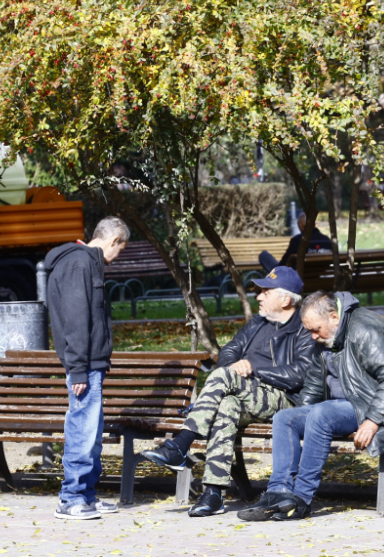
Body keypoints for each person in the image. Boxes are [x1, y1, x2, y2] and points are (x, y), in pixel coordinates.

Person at [140, 266, 316, 517]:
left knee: (225, 376)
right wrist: (236, 366)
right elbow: (229, 351)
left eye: (266, 291)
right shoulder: (257, 324)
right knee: (226, 406)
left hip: (284, 399)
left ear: (285, 299)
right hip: (245, 394)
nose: (259, 297)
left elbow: (301, 373)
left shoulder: (303, 328)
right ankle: (213, 493)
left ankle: (181, 444)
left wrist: (253, 368)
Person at [237, 290, 384, 522]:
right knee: (285, 418)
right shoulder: (326, 335)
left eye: (315, 330)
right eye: (309, 331)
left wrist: (373, 420)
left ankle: (301, 499)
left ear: (334, 317)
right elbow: (315, 383)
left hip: (380, 406)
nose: (313, 336)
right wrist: (300, 414)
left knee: (321, 414)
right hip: (344, 406)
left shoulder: (365, 330)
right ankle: (278, 492)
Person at [45, 216, 130, 520]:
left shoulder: (85, 262)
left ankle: (87, 496)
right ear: (113, 241)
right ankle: (72, 498)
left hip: (90, 363)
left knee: (90, 434)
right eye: (120, 248)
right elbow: (77, 320)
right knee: (82, 431)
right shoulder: (80, 264)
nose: (118, 255)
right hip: (85, 364)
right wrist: (78, 368)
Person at [259, 212, 332, 272]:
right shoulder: (327, 240)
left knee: (263, 255)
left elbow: (284, 263)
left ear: (301, 224)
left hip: (299, 278)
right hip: (320, 275)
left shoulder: (298, 241)